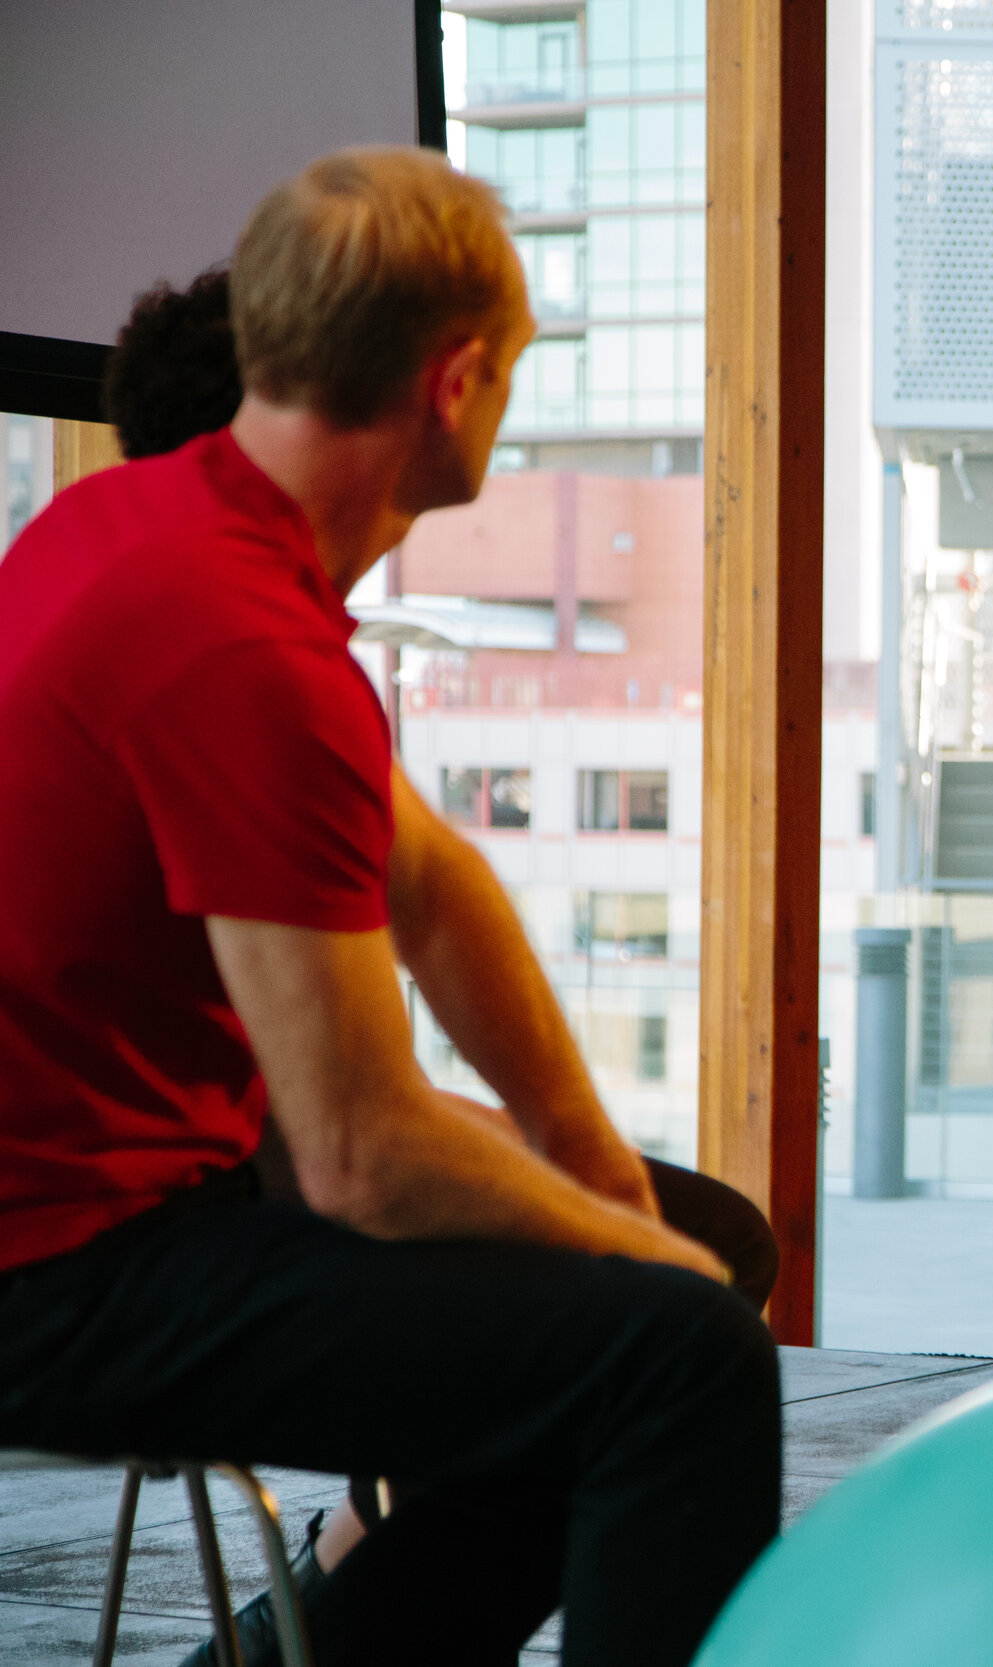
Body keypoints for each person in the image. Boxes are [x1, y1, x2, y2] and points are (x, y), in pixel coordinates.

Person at [0, 149, 781, 1665]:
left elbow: (434, 879)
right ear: (460, 378)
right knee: (683, 1356)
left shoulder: (158, 526)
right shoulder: (233, 641)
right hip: (57, 1268)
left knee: (691, 1247)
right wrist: (636, 1262)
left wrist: (589, 1168)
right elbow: (361, 1153)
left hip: (140, 1192)